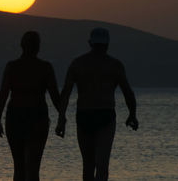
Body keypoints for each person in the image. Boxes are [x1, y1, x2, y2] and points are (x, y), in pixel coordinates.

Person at [55, 27, 138, 181]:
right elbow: (128, 93)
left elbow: (66, 93)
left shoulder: (78, 63)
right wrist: (132, 114)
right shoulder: (115, 65)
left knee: (88, 165)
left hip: (84, 115)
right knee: (102, 165)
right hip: (105, 115)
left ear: (90, 43)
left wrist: (61, 119)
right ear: (107, 44)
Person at [0, 31, 60, 181]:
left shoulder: (13, 67)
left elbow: (3, 95)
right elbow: (55, 96)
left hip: (17, 117)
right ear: (38, 47)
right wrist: (62, 116)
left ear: (22, 46)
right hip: (35, 118)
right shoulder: (44, 67)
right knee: (32, 168)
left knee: (20, 168)